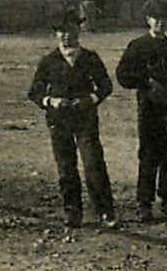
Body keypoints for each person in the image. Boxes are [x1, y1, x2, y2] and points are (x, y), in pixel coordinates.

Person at [116, 0, 167, 221]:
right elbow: (123, 75)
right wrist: (146, 82)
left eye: (165, 19)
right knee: (149, 154)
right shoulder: (138, 46)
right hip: (150, 109)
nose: (160, 23)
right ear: (148, 20)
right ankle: (144, 202)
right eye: (156, 19)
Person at [29, 21, 116, 228]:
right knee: (66, 167)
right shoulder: (49, 61)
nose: (66, 36)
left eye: (71, 32)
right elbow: (34, 92)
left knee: (93, 163)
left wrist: (90, 99)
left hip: (85, 118)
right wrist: (51, 101)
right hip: (58, 121)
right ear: (56, 34)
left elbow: (105, 86)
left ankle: (105, 211)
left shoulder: (90, 58)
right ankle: (72, 211)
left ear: (78, 33)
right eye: (62, 32)